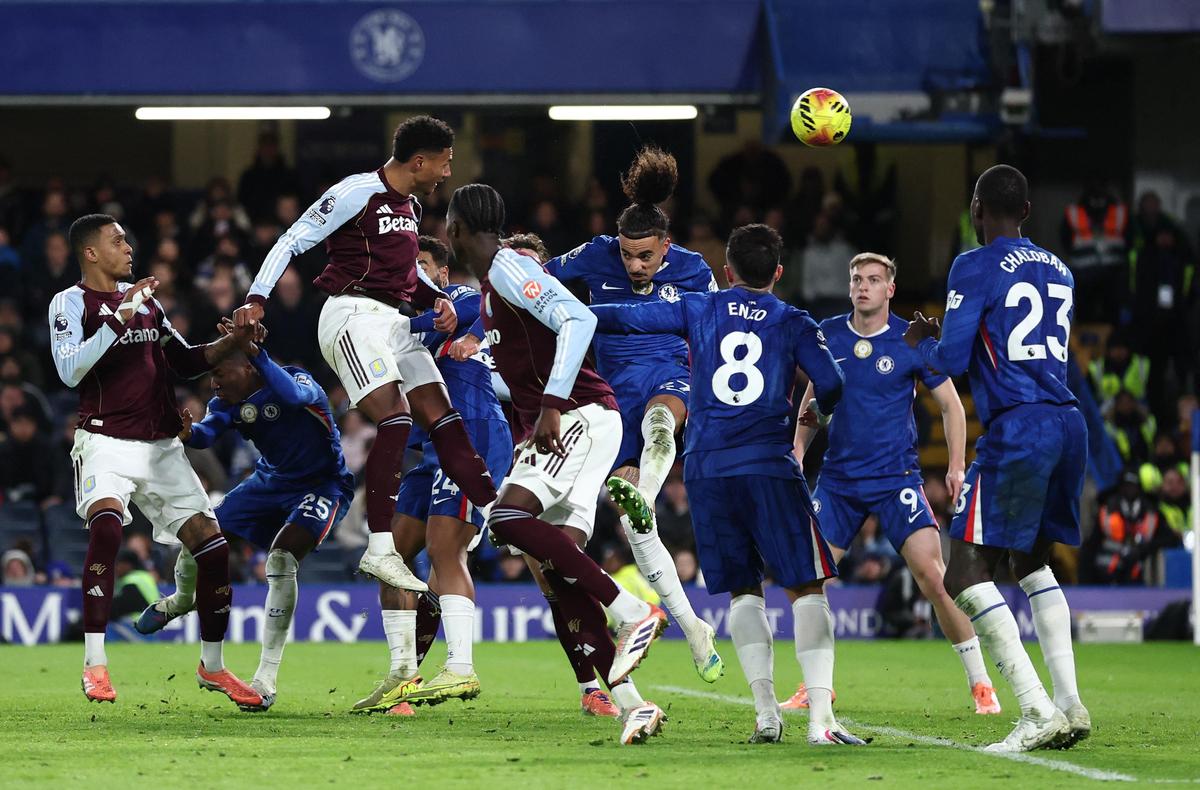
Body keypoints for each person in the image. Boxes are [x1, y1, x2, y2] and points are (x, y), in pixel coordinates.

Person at [592, 223, 863, 747]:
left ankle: (765, 715)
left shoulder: (699, 306)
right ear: (779, 273)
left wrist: (556, 309)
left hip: (706, 467)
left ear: (726, 272)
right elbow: (831, 383)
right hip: (767, 461)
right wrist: (815, 414)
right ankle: (821, 721)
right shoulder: (794, 321)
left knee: (744, 589)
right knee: (807, 587)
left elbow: (622, 317)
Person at [234, 115, 498, 594]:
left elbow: (403, 275)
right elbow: (293, 238)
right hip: (351, 315)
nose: (447, 172)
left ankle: (496, 516)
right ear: (420, 161)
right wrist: (257, 297)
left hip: (393, 320)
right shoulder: (357, 192)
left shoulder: (412, 207)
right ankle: (380, 548)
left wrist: (430, 299)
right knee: (395, 417)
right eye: (444, 162)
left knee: (444, 417)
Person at [446, 183, 667, 746]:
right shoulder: (491, 287)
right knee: (563, 572)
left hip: (580, 416)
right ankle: (632, 704)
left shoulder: (507, 267)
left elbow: (578, 320)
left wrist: (549, 404)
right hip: (571, 423)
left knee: (509, 521)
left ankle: (631, 611)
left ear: (458, 227)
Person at [904, 164, 1090, 752]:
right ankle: (1070, 704)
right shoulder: (1059, 267)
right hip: (1067, 421)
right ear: (1028, 212)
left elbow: (953, 360)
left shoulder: (974, 263)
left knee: (963, 571)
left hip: (1020, 426)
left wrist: (921, 343)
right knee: (1033, 561)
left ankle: (1035, 712)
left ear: (977, 211)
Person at [50, 213, 260, 708]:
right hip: (105, 440)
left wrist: (232, 343)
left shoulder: (148, 304)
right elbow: (68, 370)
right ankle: (95, 665)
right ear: (90, 253)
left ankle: (212, 667)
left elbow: (184, 360)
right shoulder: (72, 303)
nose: (128, 246)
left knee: (213, 550)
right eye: (117, 240)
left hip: (161, 444)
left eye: (127, 237)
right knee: (106, 526)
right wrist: (116, 319)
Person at [536, 146, 723, 684]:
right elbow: (540, 284)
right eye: (628, 255)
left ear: (666, 246)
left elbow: (708, 335)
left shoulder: (694, 270)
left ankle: (646, 491)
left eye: (646, 256)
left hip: (669, 378)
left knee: (661, 423)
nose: (635, 265)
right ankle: (693, 629)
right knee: (639, 536)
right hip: (610, 396)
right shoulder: (595, 254)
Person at [789, 252, 1000, 715]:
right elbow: (814, 397)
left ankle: (981, 682)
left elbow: (950, 405)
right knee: (807, 580)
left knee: (935, 577)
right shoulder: (830, 335)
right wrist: (800, 447)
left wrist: (956, 465)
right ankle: (815, 687)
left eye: (872, 280)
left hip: (895, 479)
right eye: (856, 279)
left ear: (890, 289)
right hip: (840, 481)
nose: (863, 286)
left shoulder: (911, 340)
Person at [133, 319, 354, 710]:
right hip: (268, 484)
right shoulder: (227, 403)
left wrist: (258, 352)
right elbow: (208, 431)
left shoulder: (299, 380)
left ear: (248, 365)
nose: (214, 384)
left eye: (219, 372)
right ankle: (183, 600)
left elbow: (291, 398)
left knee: (282, 559)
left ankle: (265, 676)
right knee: (200, 539)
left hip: (322, 484)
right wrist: (187, 434)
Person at [352, 236, 513, 715]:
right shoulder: (396, 318)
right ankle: (402, 677)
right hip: (429, 452)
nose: (414, 276)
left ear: (442, 273)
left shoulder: (461, 297)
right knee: (392, 557)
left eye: (421, 265)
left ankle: (461, 666)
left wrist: (395, 325)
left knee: (445, 548)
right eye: (407, 268)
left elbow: (480, 309)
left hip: (474, 435)